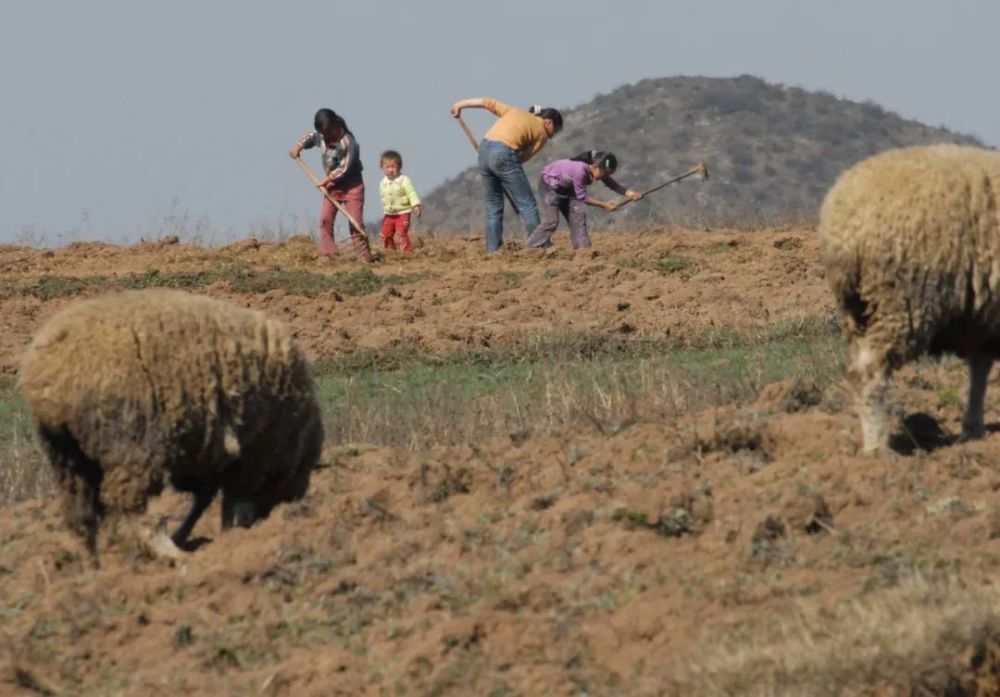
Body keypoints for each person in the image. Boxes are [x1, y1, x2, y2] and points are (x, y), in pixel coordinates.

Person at [449, 98, 563, 253]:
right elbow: (523, 157)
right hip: (504, 154)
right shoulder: (542, 133)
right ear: (548, 123)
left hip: (484, 151)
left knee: (493, 205)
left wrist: (460, 105)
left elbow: (487, 103)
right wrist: (505, 169)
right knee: (527, 203)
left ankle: (492, 249)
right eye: (554, 131)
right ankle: (539, 245)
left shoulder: (514, 111)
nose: (552, 136)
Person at [289, 108, 373, 262]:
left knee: (356, 223)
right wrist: (298, 147)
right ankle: (330, 254)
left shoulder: (348, 142)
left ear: (335, 126)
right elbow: (311, 136)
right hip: (333, 188)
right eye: (323, 134)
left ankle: (364, 257)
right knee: (325, 220)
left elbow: (345, 167)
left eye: (328, 133)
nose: (325, 138)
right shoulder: (321, 135)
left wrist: (327, 180)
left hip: (352, 186)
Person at [526, 150, 642, 250]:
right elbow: (582, 197)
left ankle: (583, 250)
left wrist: (630, 194)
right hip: (550, 186)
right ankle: (532, 247)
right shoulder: (580, 170)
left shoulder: (596, 168)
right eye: (604, 173)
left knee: (578, 217)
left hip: (568, 188)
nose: (604, 177)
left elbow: (612, 184)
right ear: (595, 167)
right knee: (552, 221)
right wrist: (604, 205)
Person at [378, 150, 422, 254]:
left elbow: (412, 193)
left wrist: (416, 205)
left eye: (393, 167)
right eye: (387, 167)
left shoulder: (404, 180)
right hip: (389, 214)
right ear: (382, 168)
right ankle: (390, 251)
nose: (390, 170)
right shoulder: (383, 182)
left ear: (399, 167)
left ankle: (406, 252)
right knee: (385, 234)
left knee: (401, 233)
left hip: (403, 213)